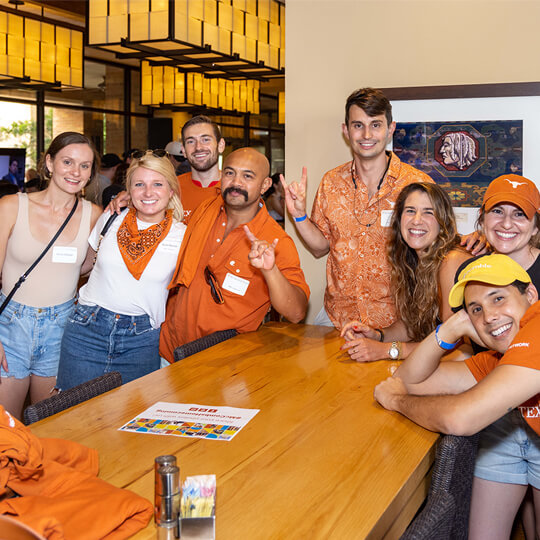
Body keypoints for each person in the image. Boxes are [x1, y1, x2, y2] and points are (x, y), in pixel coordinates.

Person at [373, 254, 540, 540]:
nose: (488, 317)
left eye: (498, 298)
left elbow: (461, 418)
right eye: (475, 309)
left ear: (531, 294)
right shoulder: (498, 358)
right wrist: (449, 330)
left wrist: (397, 401)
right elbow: (408, 380)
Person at [281, 87, 434, 331]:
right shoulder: (331, 182)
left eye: (376, 125)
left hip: (397, 326)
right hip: (336, 320)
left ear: (390, 129)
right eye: (358, 125)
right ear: (346, 130)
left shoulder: (417, 185)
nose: (366, 134)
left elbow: (437, 248)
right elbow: (321, 248)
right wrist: (298, 214)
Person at [159, 147, 310, 362]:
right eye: (230, 173)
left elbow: (296, 312)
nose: (236, 182)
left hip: (223, 365)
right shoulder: (205, 209)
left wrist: (271, 271)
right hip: (169, 351)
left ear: (265, 185)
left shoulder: (275, 241)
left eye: (247, 176)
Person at [56, 151, 186, 389]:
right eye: (139, 184)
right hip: (87, 330)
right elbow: (84, 266)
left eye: (157, 184)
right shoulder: (111, 218)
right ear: (129, 190)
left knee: (131, 418)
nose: (148, 192)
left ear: (171, 191)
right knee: (73, 414)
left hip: (142, 339)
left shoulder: (183, 236)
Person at [0, 132, 101, 419]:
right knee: (7, 430)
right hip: (10, 326)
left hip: (61, 327)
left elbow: (88, 266)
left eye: (85, 165)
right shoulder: (11, 206)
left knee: (50, 426)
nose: (75, 172)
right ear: (49, 163)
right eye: (67, 162)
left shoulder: (93, 214)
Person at [340, 182, 471, 362]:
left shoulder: (452, 260)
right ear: (399, 218)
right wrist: (378, 335)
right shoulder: (414, 260)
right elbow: (411, 324)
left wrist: (387, 350)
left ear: (443, 221)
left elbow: (452, 340)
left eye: (428, 212)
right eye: (410, 210)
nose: (417, 220)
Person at [111, 116, 224, 222]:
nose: (198, 147)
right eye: (191, 141)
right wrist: (128, 197)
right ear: (183, 150)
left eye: (206, 140)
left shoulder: (235, 189)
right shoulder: (169, 187)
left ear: (220, 145)